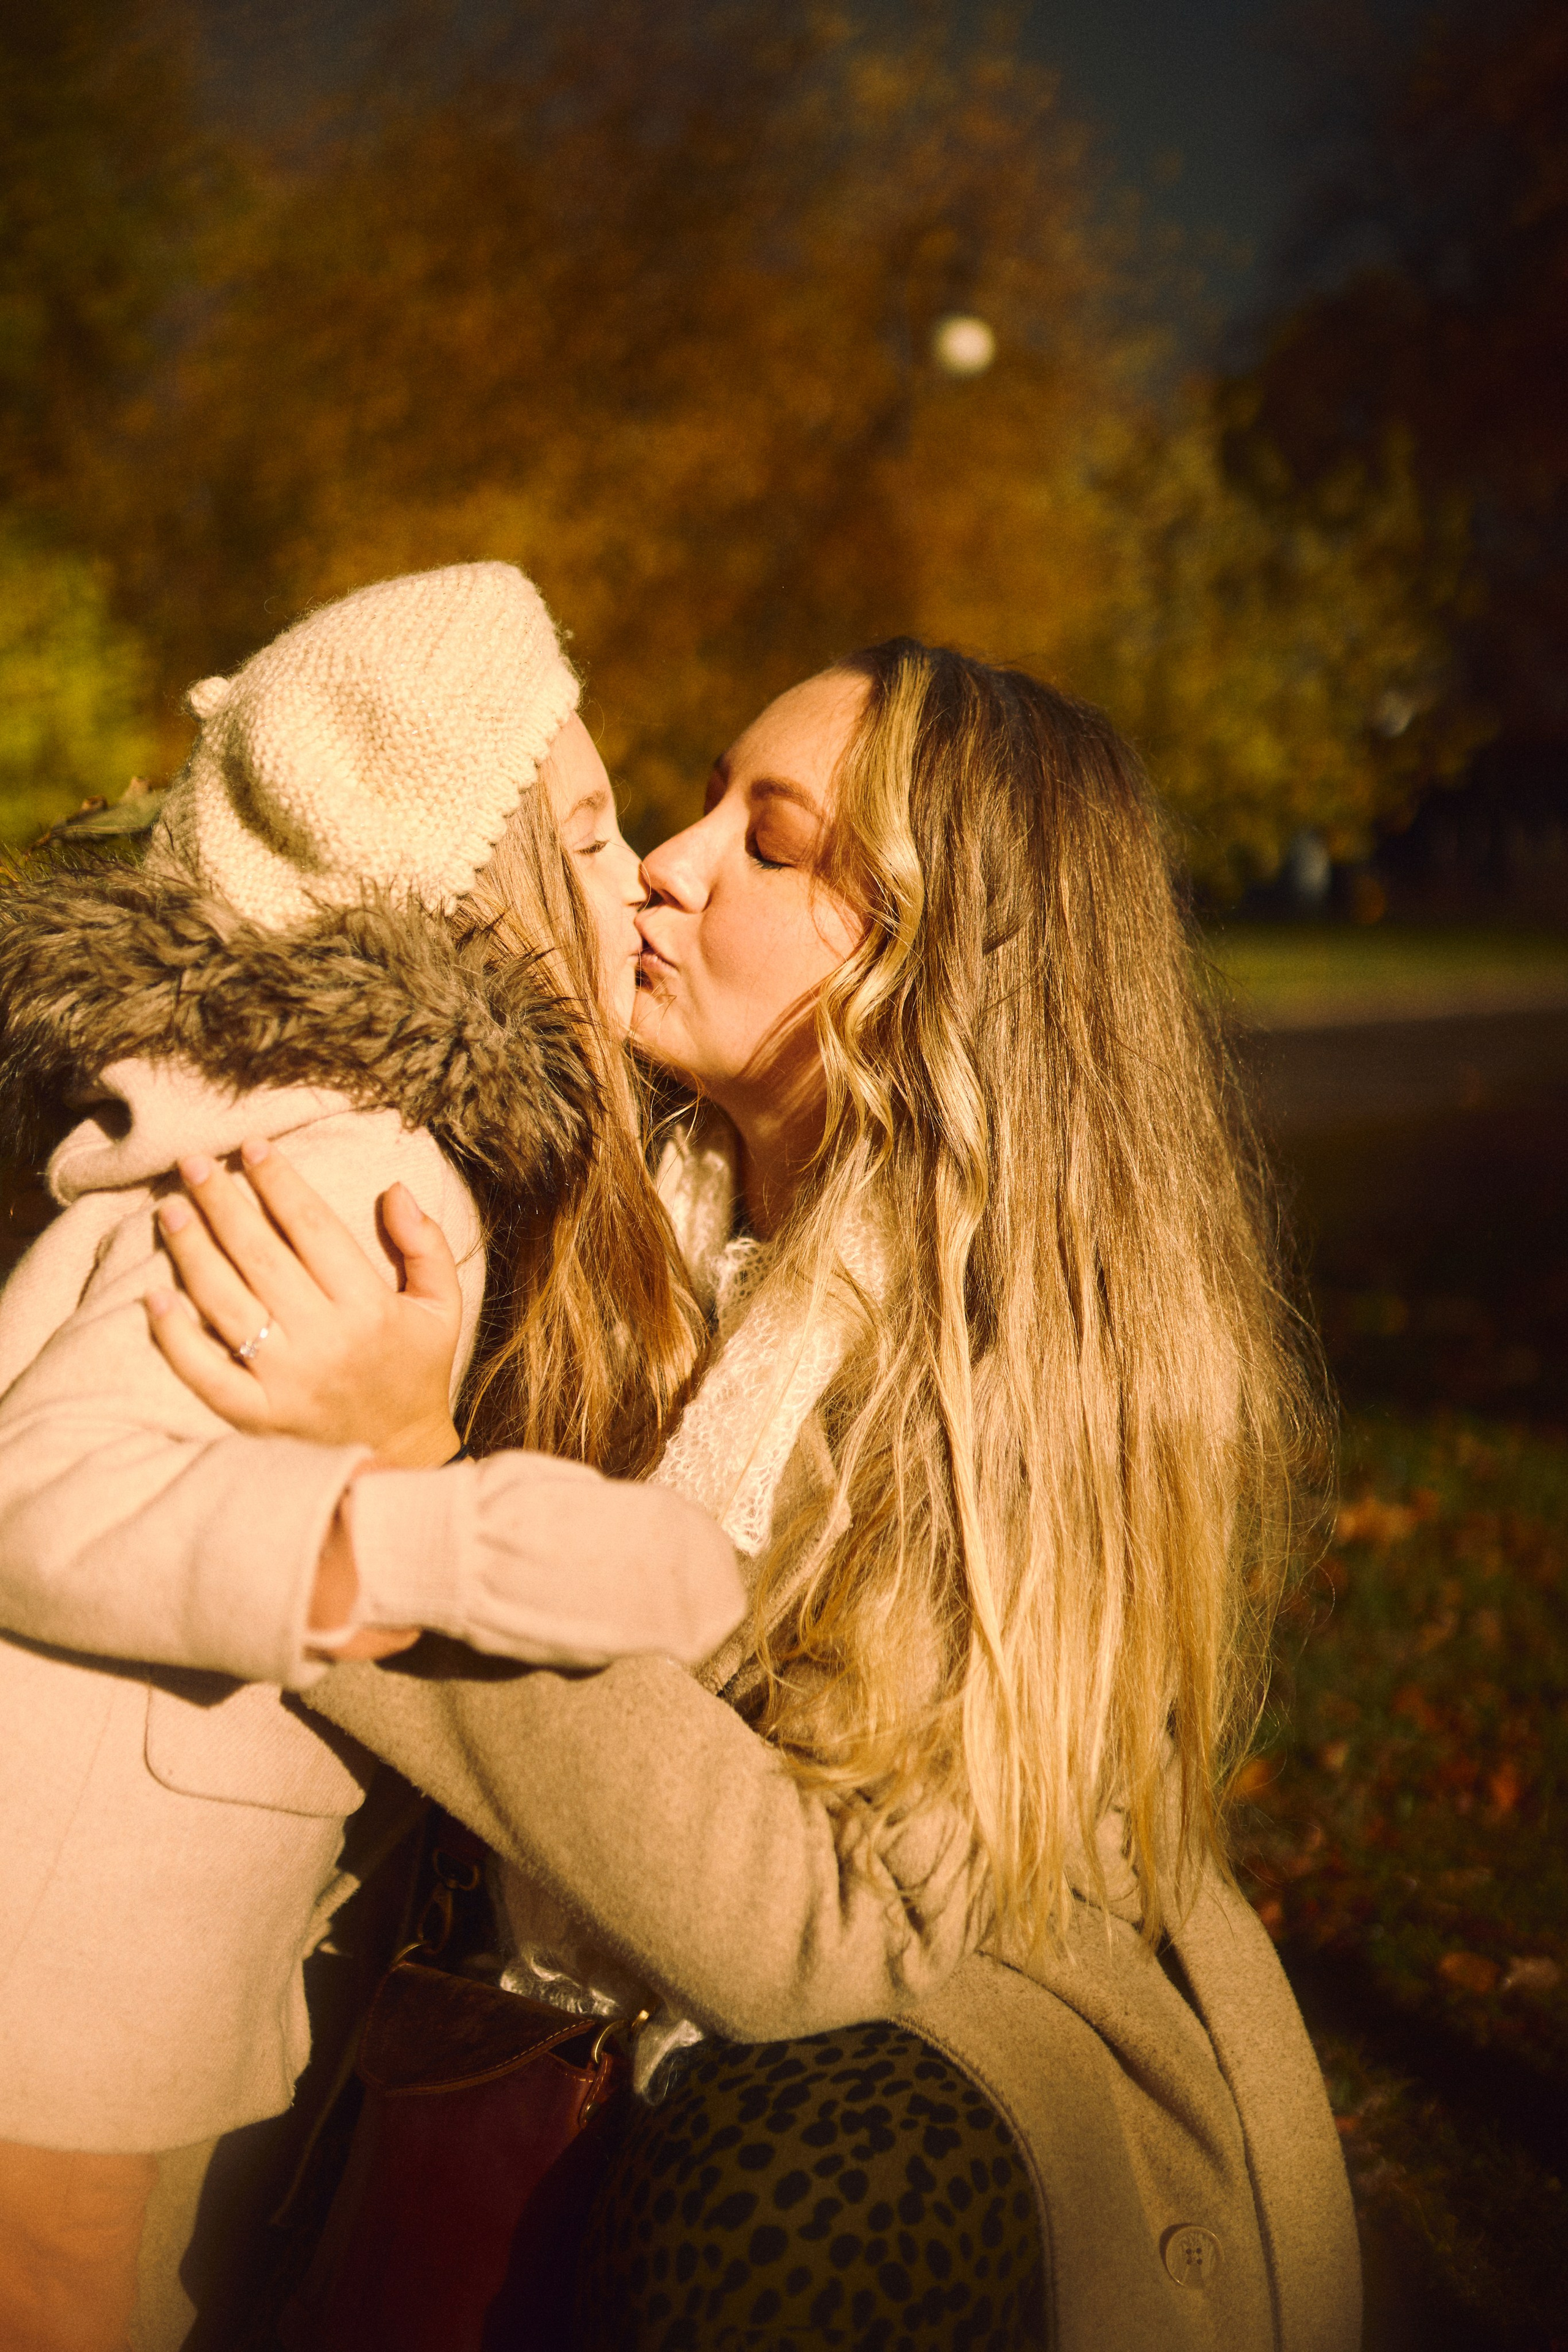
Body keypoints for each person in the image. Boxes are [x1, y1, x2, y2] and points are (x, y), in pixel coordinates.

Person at [153, 641, 1361, 2350]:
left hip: (924, 2056)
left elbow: (827, 1928)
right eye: (706, 797)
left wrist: (401, 1503)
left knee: (781, 2215)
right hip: (530, 2009)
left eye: (773, 842)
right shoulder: (596, 1194)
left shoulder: (1027, 1361)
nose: (669, 857)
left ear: (931, 953)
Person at [0, 564, 745, 2352]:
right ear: (466, 890)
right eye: (582, 826)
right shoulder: (342, 1167)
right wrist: (398, 1542)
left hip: (123, 1908)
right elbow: (40, 1490)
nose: (636, 862)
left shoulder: (351, 1129)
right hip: (62, 1930)